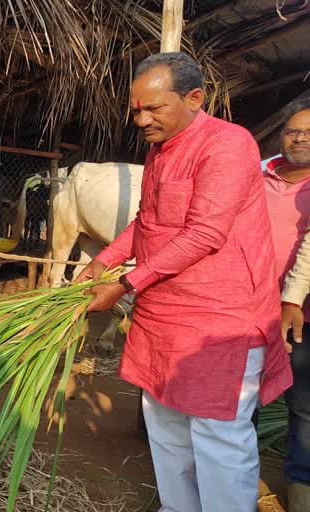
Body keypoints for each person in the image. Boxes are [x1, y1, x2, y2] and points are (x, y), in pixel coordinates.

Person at [75, 52, 293, 511]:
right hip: (163, 315)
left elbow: (206, 232)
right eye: (136, 109)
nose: (142, 119)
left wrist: (127, 283)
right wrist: (107, 259)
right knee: (165, 422)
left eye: (154, 108)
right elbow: (147, 220)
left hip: (220, 320)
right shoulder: (158, 150)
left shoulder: (228, 145)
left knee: (218, 434)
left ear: (194, 98)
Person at [267, 103, 310, 511]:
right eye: (293, 131)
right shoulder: (256, 176)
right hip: (248, 311)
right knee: (239, 398)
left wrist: (292, 299)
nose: (300, 138)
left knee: (304, 409)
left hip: (302, 319)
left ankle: (301, 494)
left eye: (309, 132)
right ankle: (233, 478)